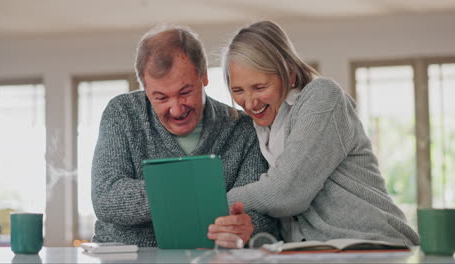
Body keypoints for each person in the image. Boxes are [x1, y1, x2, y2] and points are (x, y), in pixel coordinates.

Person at [208, 21, 419, 246]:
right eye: (238, 90)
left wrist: (217, 203)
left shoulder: (323, 97)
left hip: (373, 245)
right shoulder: (260, 127)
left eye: (260, 87)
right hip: (318, 252)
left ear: (288, 75)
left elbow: (286, 192)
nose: (249, 102)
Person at [91, 24, 279, 247]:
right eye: (161, 98)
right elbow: (106, 197)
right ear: (144, 86)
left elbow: (261, 216)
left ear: (204, 76)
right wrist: (187, 191)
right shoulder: (122, 113)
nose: (177, 109)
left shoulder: (242, 128)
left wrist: (247, 226)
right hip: (126, 256)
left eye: (185, 92)